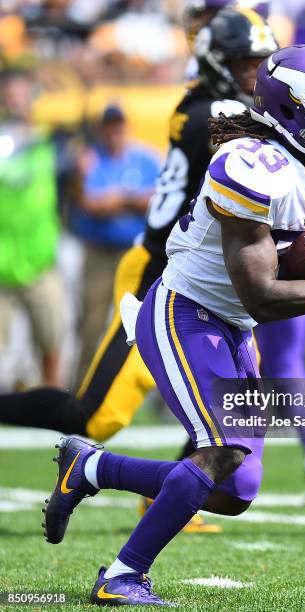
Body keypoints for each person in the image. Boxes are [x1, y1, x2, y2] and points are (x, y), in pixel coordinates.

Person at [43, 44, 305, 606]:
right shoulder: (250, 166)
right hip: (184, 312)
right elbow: (262, 294)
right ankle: (120, 576)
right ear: (292, 113)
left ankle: (89, 467)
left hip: (230, 326)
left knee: (237, 488)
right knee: (224, 449)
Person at [0, 6, 277, 532]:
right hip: (161, 281)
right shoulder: (216, 115)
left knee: (239, 405)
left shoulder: (212, 105)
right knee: (94, 416)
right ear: (220, 64)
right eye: (247, 63)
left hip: (202, 282)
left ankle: (167, 494)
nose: (256, 74)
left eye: (261, 63)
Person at [73, 104, 161, 382]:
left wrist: (120, 198)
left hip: (134, 253)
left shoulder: (146, 158)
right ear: (102, 129)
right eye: (110, 126)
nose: (115, 132)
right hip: (99, 253)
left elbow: (157, 200)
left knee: (144, 322)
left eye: (119, 126)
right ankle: (83, 387)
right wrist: (132, 200)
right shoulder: (91, 158)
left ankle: (149, 390)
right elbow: (90, 204)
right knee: (92, 323)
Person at [0, 69, 64, 387]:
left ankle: (50, 400)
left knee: (50, 336)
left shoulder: (48, 140)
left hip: (40, 261)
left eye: (21, 93)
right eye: (9, 94)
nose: (16, 101)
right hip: (1, 264)